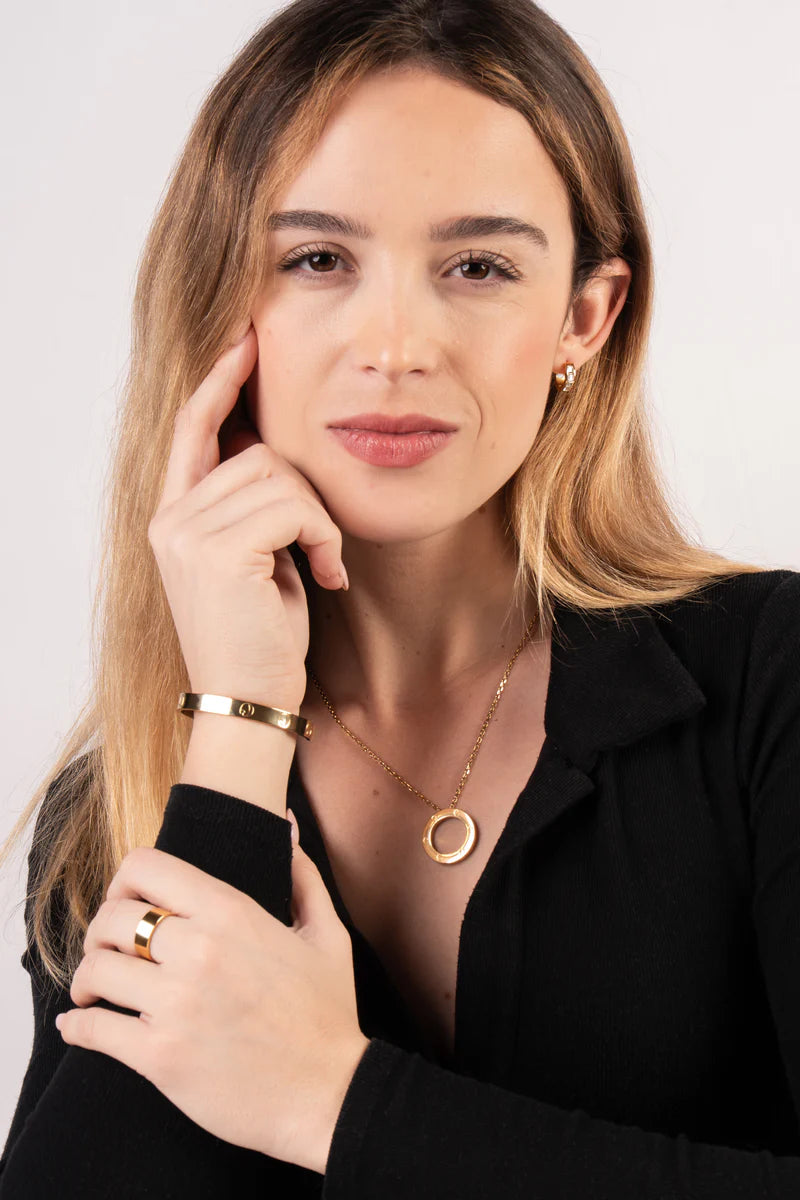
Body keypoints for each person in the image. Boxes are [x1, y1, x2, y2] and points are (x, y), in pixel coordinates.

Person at [1, 0, 799, 1195]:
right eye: (316, 259)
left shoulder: (764, 683)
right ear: (229, 306)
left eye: (475, 266)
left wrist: (331, 1100)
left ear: (582, 318)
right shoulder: (118, 810)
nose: (395, 342)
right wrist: (233, 724)